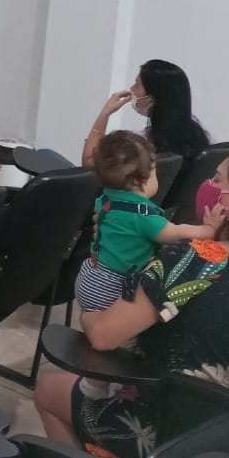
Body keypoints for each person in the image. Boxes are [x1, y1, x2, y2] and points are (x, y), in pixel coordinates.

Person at [34, 143, 229, 458]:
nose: (207, 186)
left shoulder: (197, 259)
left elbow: (103, 336)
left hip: (169, 432)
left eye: (217, 179)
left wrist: (91, 303)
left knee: (49, 388)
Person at [76, 131, 215, 318]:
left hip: (90, 275)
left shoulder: (105, 199)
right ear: (142, 180)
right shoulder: (141, 215)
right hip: (114, 286)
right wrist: (207, 230)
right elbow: (175, 232)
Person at [83, 59, 209, 168]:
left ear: (151, 100)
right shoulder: (196, 137)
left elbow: (88, 162)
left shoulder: (138, 146)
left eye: (137, 85)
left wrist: (105, 113)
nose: (131, 89)